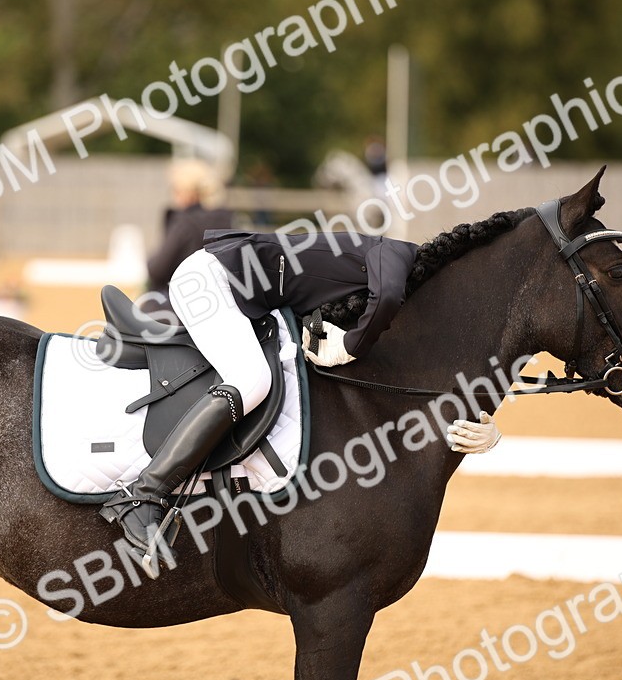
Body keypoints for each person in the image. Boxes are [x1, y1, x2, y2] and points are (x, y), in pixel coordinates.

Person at [102, 230, 503, 567]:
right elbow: (387, 298)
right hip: (209, 282)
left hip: (238, 289)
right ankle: (145, 493)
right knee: (251, 379)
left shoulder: (390, 274)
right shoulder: (397, 254)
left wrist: (487, 419)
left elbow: (426, 367)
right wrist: (349, 345)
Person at [145, 159, 234, 301]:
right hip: (215, 303)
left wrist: (149, 260)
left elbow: (157, 269)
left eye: (175, 189)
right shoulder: (226, 220)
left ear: (187, 192)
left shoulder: (184, 223)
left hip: (178, 304)